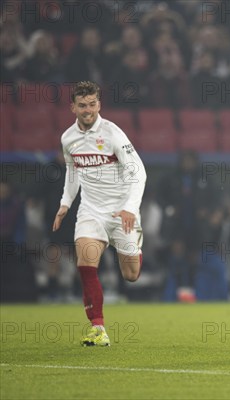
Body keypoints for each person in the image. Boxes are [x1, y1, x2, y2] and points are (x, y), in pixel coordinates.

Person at [52, 81, 147, 346]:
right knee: (86, 264)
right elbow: (73, 172)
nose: (88, 110)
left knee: (131, 275)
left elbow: (139, 173)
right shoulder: (67, 138)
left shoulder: (113, 134)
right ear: (73, 107)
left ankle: (135, 248)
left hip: (121, 212)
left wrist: (130, 208)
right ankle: (98, 328)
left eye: (92, 104)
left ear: (99, 104)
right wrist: (65, 203)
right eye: (82, 105)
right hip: (91, 210)